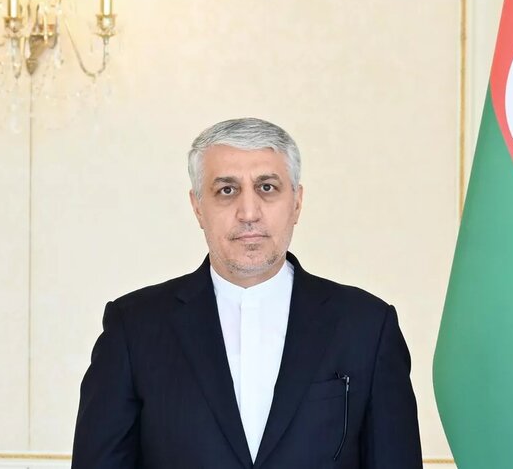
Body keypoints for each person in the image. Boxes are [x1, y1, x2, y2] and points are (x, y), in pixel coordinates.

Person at [72, 117, 421, 468]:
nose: (249, 213)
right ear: (197, 207)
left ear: (297, 202)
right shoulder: (133, 327)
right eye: (227, 190)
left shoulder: (367, 327)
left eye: (267, 187)